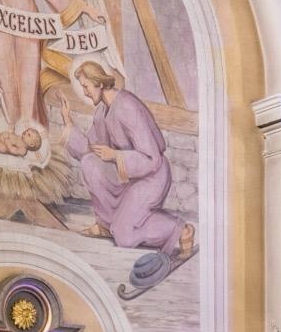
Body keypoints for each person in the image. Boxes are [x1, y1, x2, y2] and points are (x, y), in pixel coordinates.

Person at [57, 62, 195, 259]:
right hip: (128, 178)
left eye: (86, 87)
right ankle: (106, 225)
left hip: (151, 177)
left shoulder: (127, 106)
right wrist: (67, 121)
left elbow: (152, 158)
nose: (85, 93)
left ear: (99, 83)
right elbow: (90, 151)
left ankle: (181, 230)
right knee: (90, 163)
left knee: (124, 236)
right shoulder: (102, 112)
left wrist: (115, 155)